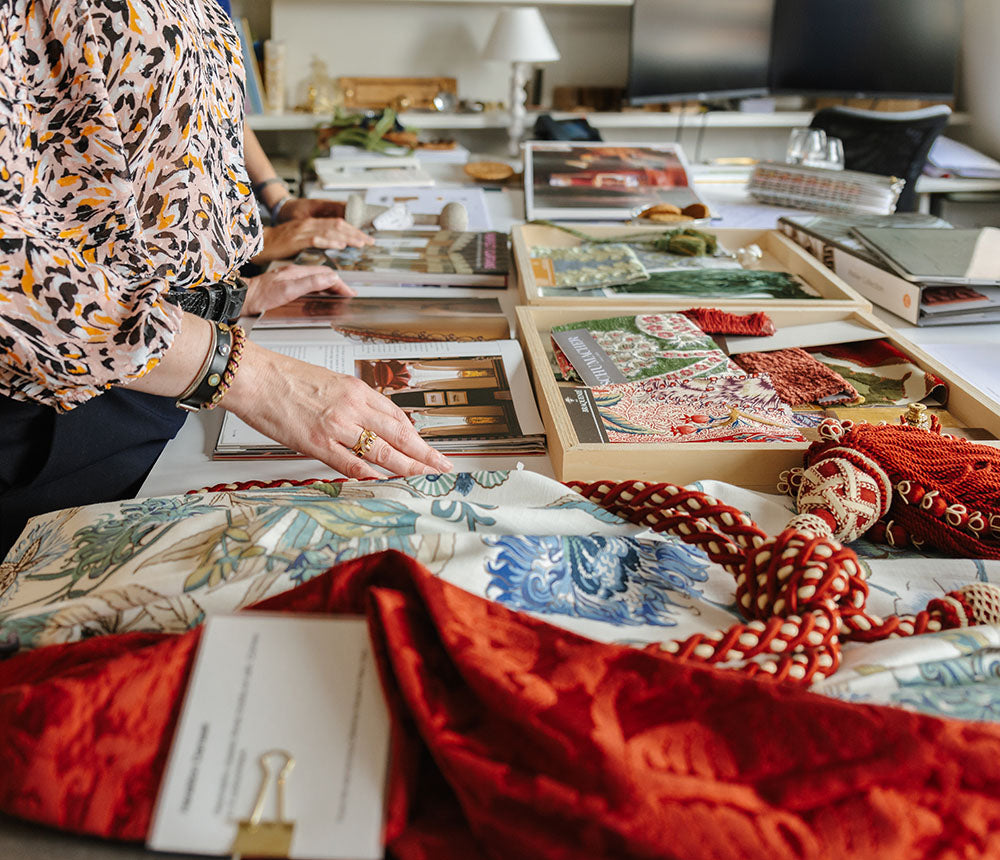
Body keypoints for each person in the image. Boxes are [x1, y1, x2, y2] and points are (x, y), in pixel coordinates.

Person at [0, 0, 451, 557]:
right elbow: (14, 274)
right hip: (70, 410)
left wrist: (231, 293)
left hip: (180, 363)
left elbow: (204, 109)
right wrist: (251, 378)